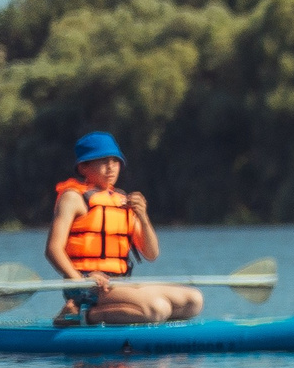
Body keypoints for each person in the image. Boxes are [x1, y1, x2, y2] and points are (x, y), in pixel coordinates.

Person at [45, 132, 203, 326]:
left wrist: (143, 216)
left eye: (115, 160)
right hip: (86, 283)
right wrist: (81, 282)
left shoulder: (122, 201)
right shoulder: (72, 198)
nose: (111, 167)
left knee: (193, 301)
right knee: (156, 309)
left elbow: (152, 254)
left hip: (119, 283)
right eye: (102, 161)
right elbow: (53, 250)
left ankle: (104, 312)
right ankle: (78, 316)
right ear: (83, 167)